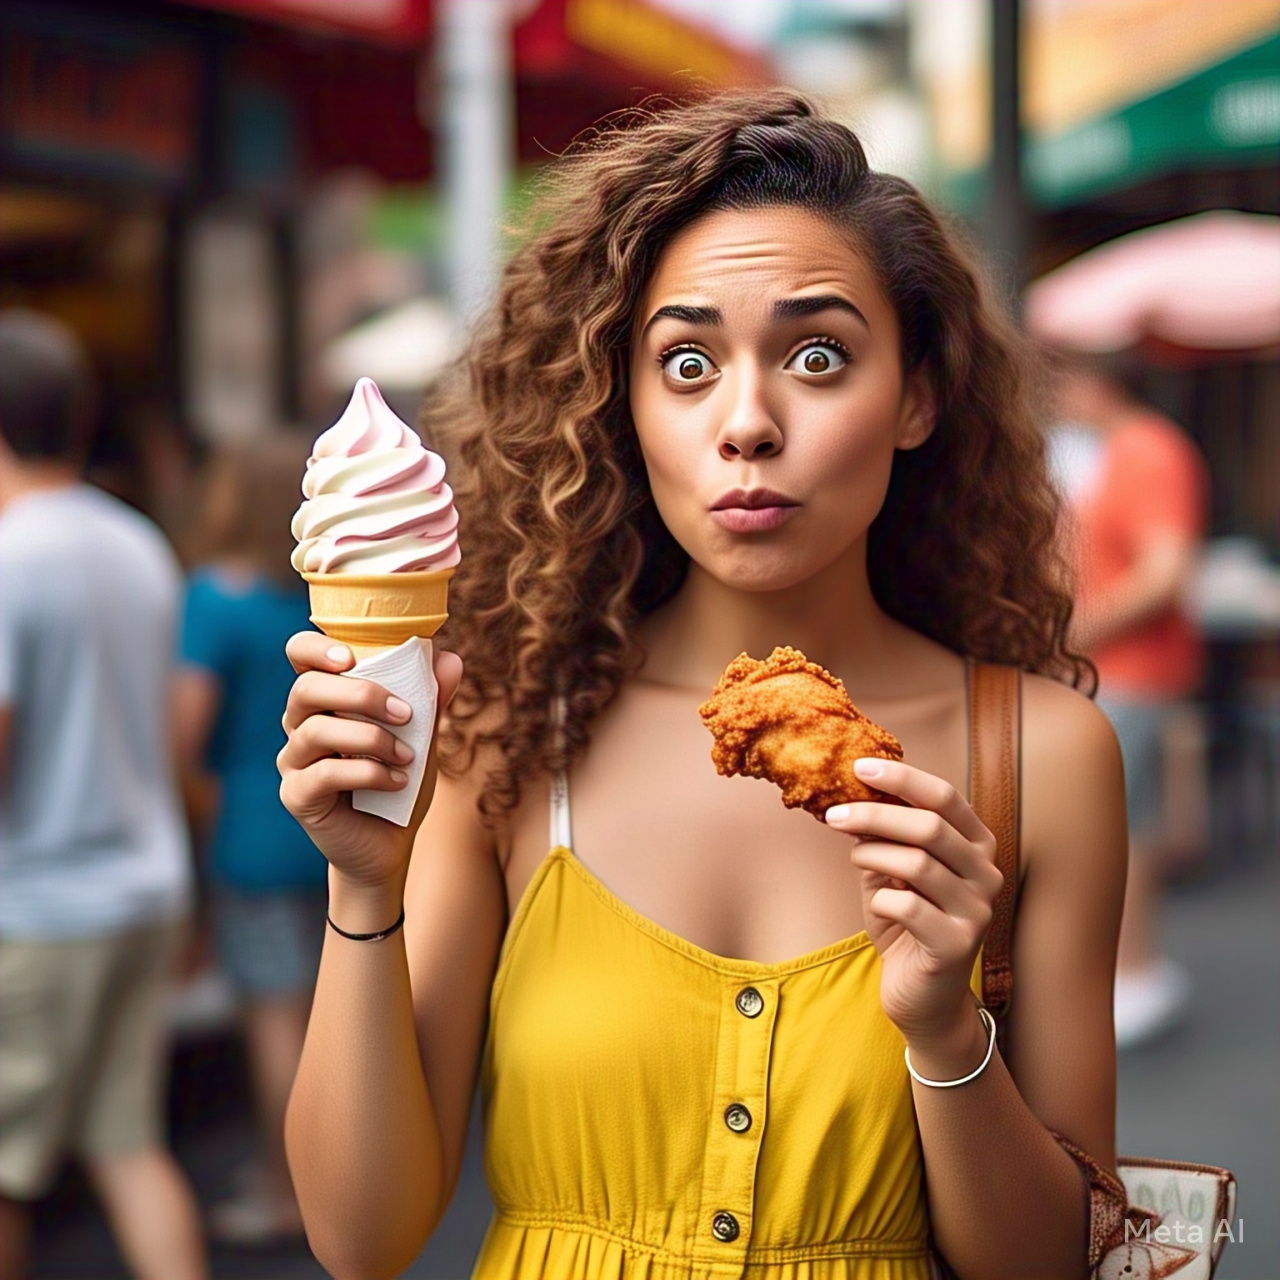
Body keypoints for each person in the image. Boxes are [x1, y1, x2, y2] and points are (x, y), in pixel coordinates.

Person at [278, 92, 1127, 1280]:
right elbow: (361, 1239)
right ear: (619, 402)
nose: (745, 422)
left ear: (918, 397)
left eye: (817, 355)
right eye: (684, 362)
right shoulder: (506, 733)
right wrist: (363, 888)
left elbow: (1048, 1262)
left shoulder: (1042, 753)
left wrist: (944, 1027)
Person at [0, 310, 206, 1280]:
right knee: (130, 1144)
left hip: (39, 904)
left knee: (7, 1173)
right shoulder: (138, 544)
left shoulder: (10, 556)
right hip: (146, 885)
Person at [172, 435, 326, 1245]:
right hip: (330, 827)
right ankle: (328, 1174)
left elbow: (186, 734)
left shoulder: (212, 597)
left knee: (272, 1017)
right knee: (323, 1014)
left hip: (250, 834)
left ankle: (287, 1189)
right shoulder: (320, 596)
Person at [1050, 360, 1208, 1049]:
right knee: (1125, 822)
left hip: (1132, 671)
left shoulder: (1147, 449)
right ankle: (1132, 973)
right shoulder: (1124, 451)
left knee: (1119, 830)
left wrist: (1077, 629)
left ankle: (1132, 974)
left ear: (1096, 383)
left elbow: (1165, 571)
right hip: (1117, 671)